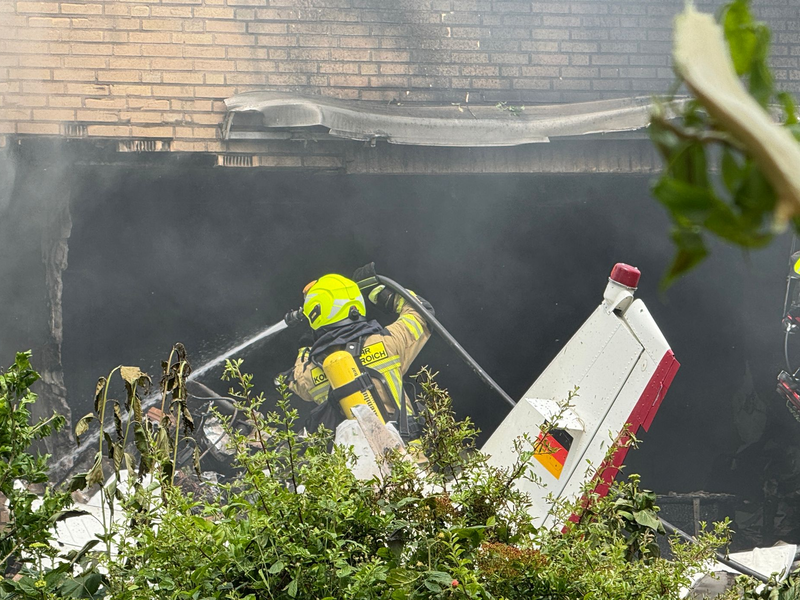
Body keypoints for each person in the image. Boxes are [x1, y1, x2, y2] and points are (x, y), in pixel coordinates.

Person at [284, 271, 433, 438]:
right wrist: (383, 294)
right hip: (410, 457)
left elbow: (294, 381)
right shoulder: (387, 342)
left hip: (357, 462)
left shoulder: (311, 373)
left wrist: (305, 349)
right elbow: (421, 313)